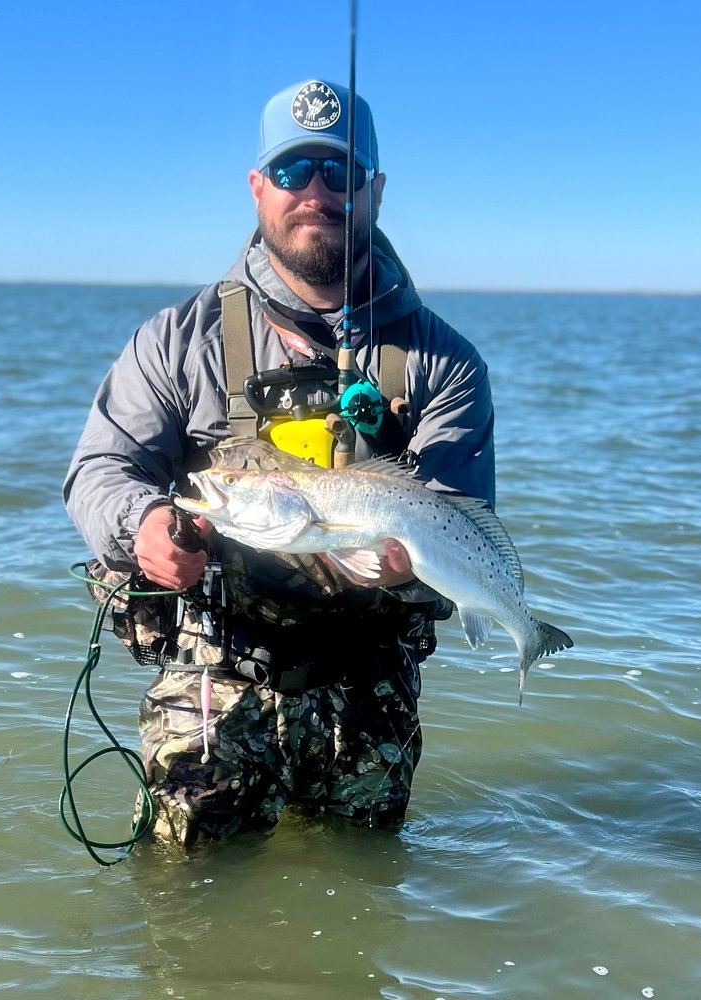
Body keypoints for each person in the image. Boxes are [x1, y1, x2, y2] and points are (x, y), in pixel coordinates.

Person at [64, 79, 495, 846]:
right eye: (294, 173)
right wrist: (145, 524)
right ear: (258, 187)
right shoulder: (177, 337)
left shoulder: (445, 363)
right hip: (213, 668)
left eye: (340, 174)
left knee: (357, 902)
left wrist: (410, 568)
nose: (316, 194)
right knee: (185, 901)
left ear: (375, 191)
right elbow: (100, 470)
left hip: (369, 679)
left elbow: (460, 515)